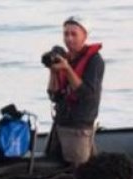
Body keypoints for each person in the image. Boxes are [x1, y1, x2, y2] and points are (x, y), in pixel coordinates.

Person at [46, 16, 104, 167]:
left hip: (78, 127)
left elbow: (86, 94)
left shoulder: (95, 61)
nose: (69, 39)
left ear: (84, 36)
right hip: (60, 124)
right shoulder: (66, 58)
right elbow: (54, 95)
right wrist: (53, 71)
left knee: (79, 171)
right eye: (66, 34)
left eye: (74, 34)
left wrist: (67, 69)